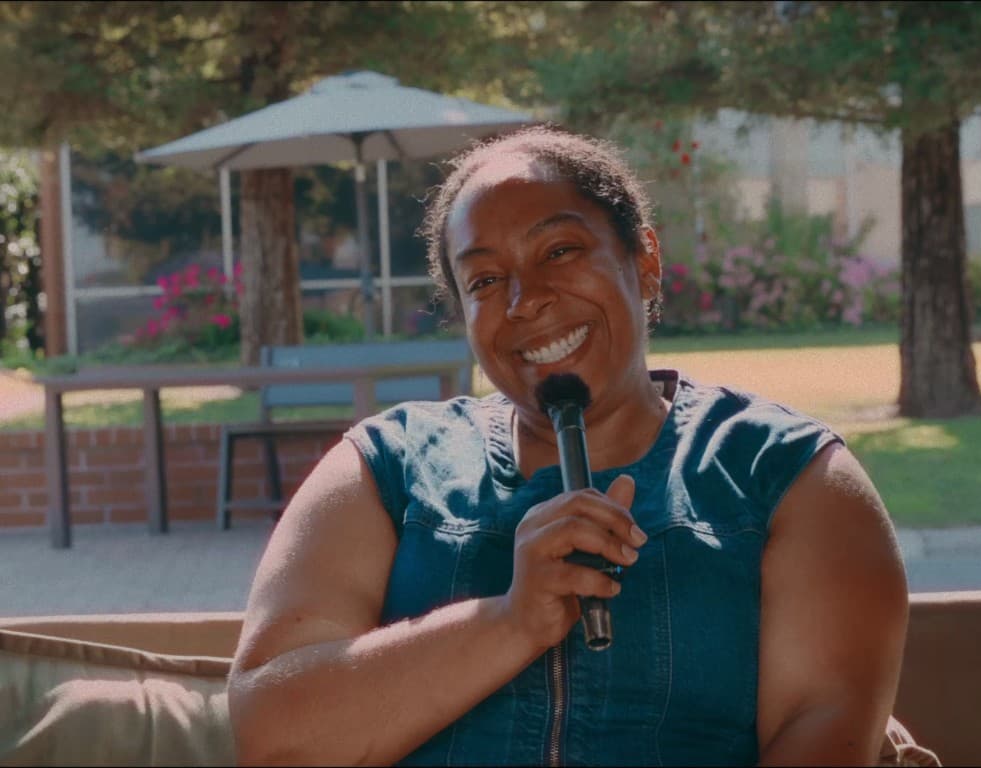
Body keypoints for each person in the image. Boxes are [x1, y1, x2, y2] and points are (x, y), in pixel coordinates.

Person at [227, 125, 908, 766]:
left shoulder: (790, 476)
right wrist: (507, 622)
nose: (526, 299)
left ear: (645, 261)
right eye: (486, 281)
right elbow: (271, 734)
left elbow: (824, 731)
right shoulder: (385, 466)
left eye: (560, 252)